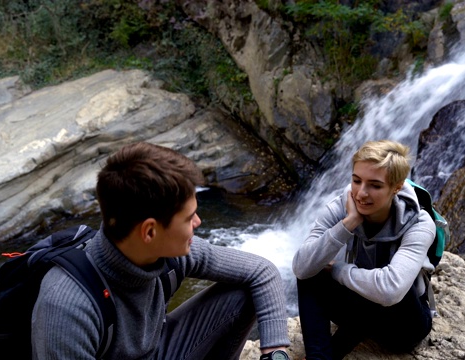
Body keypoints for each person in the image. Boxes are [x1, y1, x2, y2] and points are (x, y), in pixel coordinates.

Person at [31, 142, 292, 360]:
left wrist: (275, 353)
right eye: (189, 217)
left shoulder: (173, 253)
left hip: (159, 351)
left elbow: (262, 271)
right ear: (149, 232)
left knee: (242, 290)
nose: (198, 222)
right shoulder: (67, 306)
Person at [292, 140, 435, 359]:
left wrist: (338, 270)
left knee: (392, 283)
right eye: (356, 181)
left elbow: (391, 290)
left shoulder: (419, 223)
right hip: (362, 310)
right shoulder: (343, 204)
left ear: (396, 187)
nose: (361, 193)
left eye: (375, 185)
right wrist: (347, 224)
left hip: (403, 326)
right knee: (312, 268)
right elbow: (301, 267)